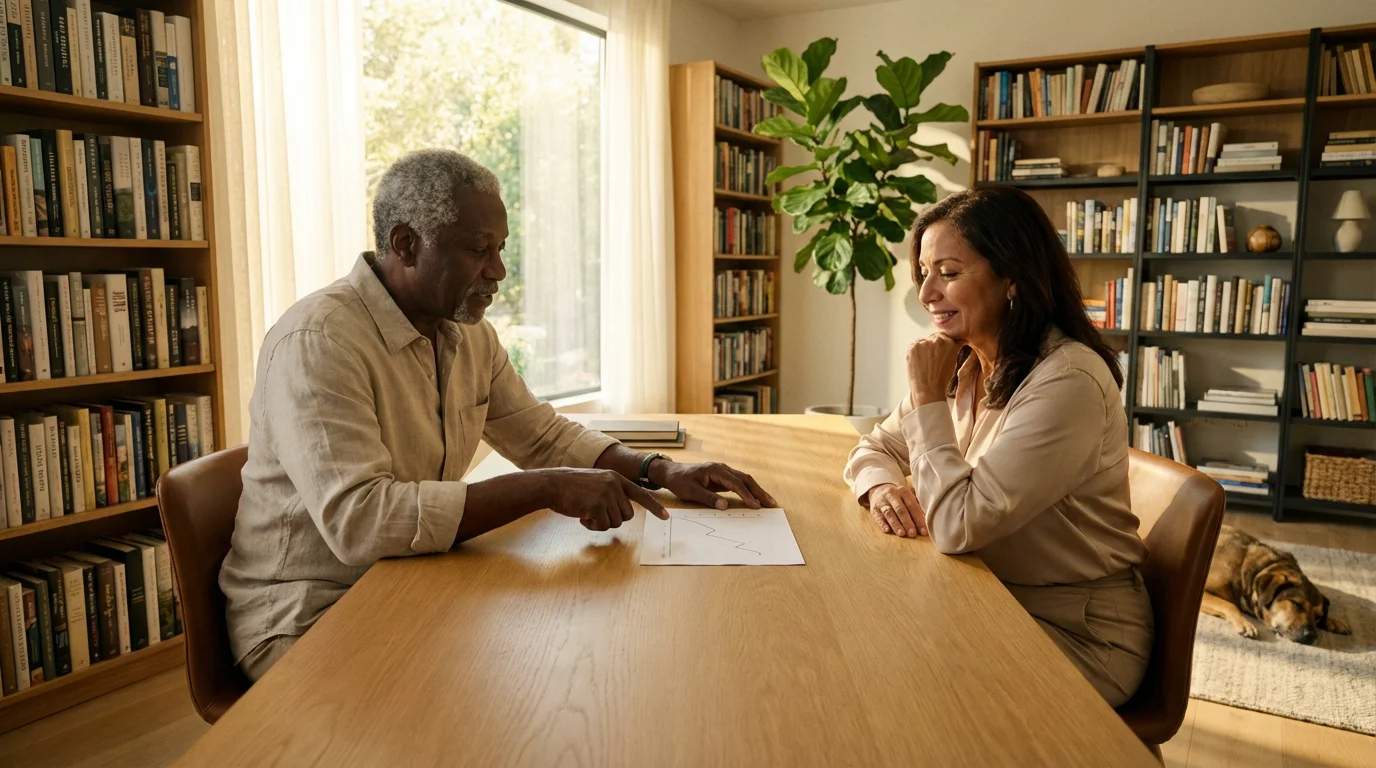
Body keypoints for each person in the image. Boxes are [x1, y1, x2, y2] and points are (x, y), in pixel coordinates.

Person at [221, 148, 776, 683]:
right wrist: (545, 488)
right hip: (308, 615)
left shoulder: (467, 334)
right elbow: (361, 522)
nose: (499, 270)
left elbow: (541, 434)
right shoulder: (318, 341)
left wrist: (659, 469)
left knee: (598, 652)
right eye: (478, 249)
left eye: (501, 248)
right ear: (406, 244)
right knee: (538, 683)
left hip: (414, 576)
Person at [842, 185, 1153, 707]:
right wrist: (880, 490)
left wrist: (926, 398)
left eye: (949, 272)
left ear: (1012, 277)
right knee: (861, 633)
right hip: (986, 594)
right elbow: (873, 449)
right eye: (924, 272)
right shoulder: (965, 362)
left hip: (1075, 632)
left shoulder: (1068, 380)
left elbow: (957, 525)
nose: (926, 293)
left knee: (886, 672)